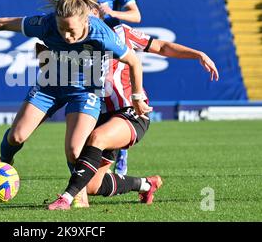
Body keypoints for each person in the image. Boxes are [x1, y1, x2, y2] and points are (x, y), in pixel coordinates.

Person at [0, 0, 152, 207]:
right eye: (62, 29)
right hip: (50, 86)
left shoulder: (101, 33)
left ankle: (78, 195)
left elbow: (134, 61)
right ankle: (5, 163)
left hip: (85, 91)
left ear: (86, 22)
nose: (67, 36)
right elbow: (2, 23)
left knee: (74, 150)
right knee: (16, 136)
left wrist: (136, 96)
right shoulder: (46, 24)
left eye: (72, 31)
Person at [45, 23, 219, 210]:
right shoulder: (71, 39)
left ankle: (67, 198)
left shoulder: (121, 32)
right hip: (100, 116)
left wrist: (198, 54)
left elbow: (161, 46)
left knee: (98, 138)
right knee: (93, 186)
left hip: (131, 112)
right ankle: (146, 184)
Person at [77, 0, 142, 175]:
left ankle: (120, 152)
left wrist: (112, 13)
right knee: (95, 101)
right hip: (88, 51)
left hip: (114, 50)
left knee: (115, 99)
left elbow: (136, 15)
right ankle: (93, 155)